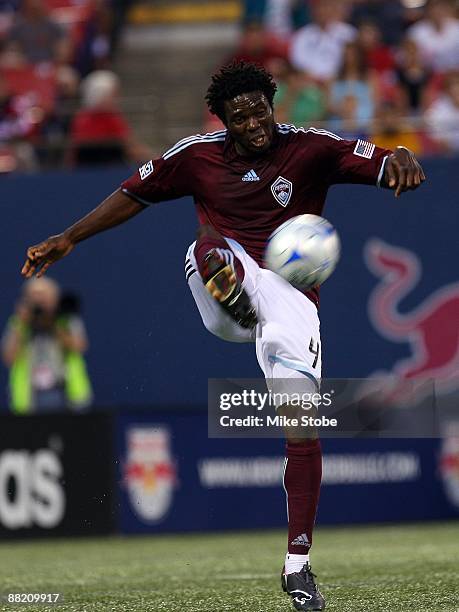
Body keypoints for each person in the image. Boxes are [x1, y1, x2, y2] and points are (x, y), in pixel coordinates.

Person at [21, 61, 425, 611]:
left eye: (260, 110)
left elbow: (381, 160)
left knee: (302, 428)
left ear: (272, 104)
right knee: (209, 247)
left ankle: (298, 565)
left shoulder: (311, 148)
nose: (254, 122)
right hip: (226, 277)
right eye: (241, 116)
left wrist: (399, 157)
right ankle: (224, 283)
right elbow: (130, 196)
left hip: (290, 300)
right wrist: (68, 238)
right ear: (224, 119)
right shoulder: (195, 156)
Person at [1, 277, 92, 413]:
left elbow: (80, 346)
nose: (39, 301)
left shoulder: (65, 319)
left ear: (54, 298)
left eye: (43, 295)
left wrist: (52, 322)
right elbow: (8, 358)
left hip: (65, 392)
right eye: (34, 296)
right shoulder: (18, 323)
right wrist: (22, 325)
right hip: (30, 396)